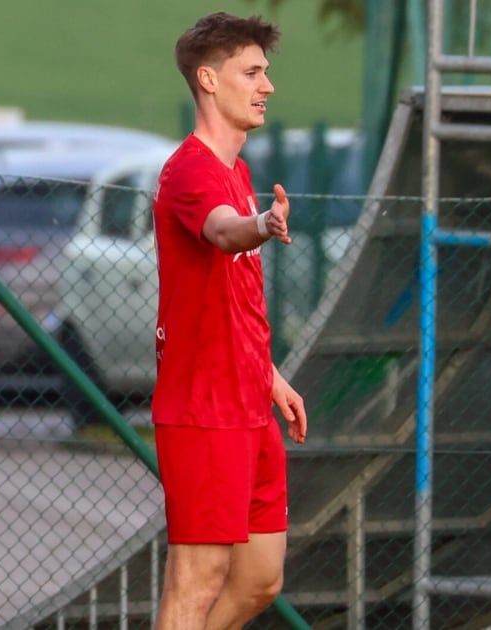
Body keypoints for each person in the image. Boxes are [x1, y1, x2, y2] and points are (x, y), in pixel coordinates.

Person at [151, 12, 308, 630]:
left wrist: (271, 377)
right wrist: (262, 227)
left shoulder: (236, 171)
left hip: (248, 401)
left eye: (266, 72)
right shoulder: (191, 169)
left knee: (260, 579)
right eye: (253, 72)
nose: (267, 85)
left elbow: (232, 296)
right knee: (195, 585)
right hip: (203, 407)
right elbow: (222, 232)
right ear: (209, 80)